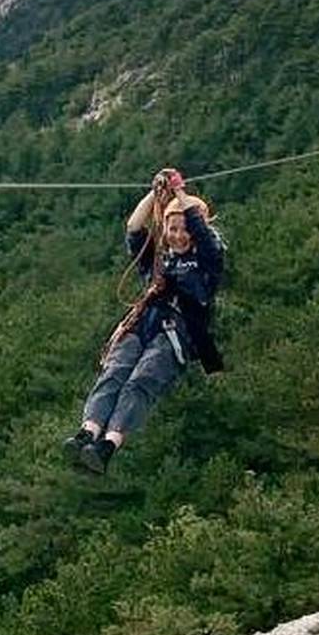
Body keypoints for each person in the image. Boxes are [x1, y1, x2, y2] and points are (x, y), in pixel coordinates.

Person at [63, 168, 225, 474]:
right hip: (145, 322)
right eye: (172, 229)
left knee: (140, 381)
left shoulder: (207, 258)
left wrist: (179, 194)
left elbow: (201, 234)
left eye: (183, 229)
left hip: (177, 330)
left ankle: (108, 446)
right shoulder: (159, 258)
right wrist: (156, 192)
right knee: (115, 372)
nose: (178, 235)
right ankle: (88, 431)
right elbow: (134, 227)